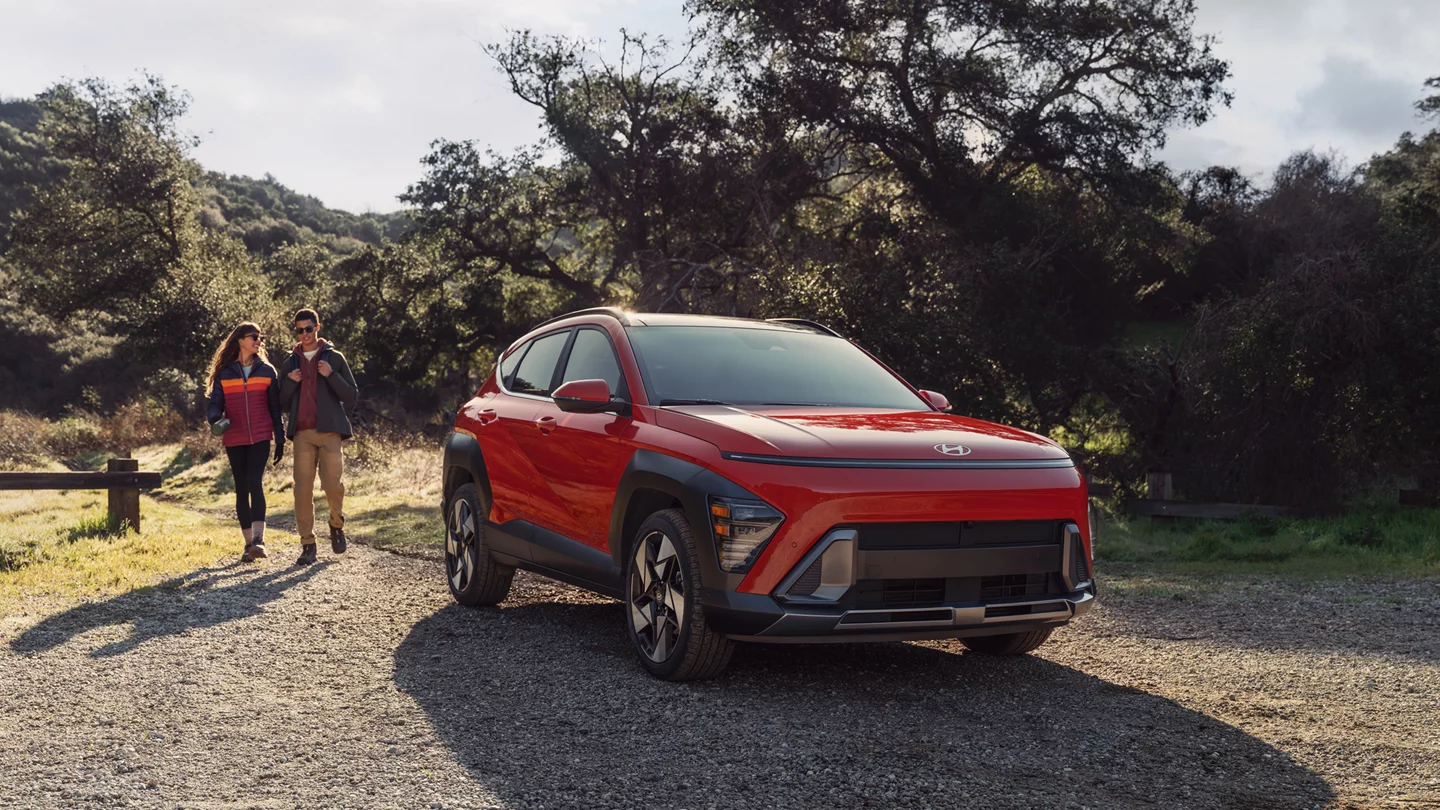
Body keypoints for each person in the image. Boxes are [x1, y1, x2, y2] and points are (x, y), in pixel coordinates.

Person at [278, 308, 358, 566]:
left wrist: (331, 375)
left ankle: (336, 525)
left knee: (333, 486)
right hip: (302, 433)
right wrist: (289, 382)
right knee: (302, 490)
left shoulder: (334, 358)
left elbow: (352, 396)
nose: (304, 334)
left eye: (308, 329)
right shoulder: (289, 364)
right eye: (300, 330)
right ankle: (308, 545)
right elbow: (280, 402)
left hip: (330, 431)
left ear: (317, 328)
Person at [205, 322, 285, 562]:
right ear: (240, 340)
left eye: (260, 337)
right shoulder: (225, 373)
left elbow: (274, 408)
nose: (258, 341)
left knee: (254, 482)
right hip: (235, 436)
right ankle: (248, 544)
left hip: (261, 435)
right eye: (254, 337)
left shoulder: (268, 371)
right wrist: (214, 418)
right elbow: (215, 403)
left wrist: (279, 438)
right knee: (241, 487)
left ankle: (259, 541)